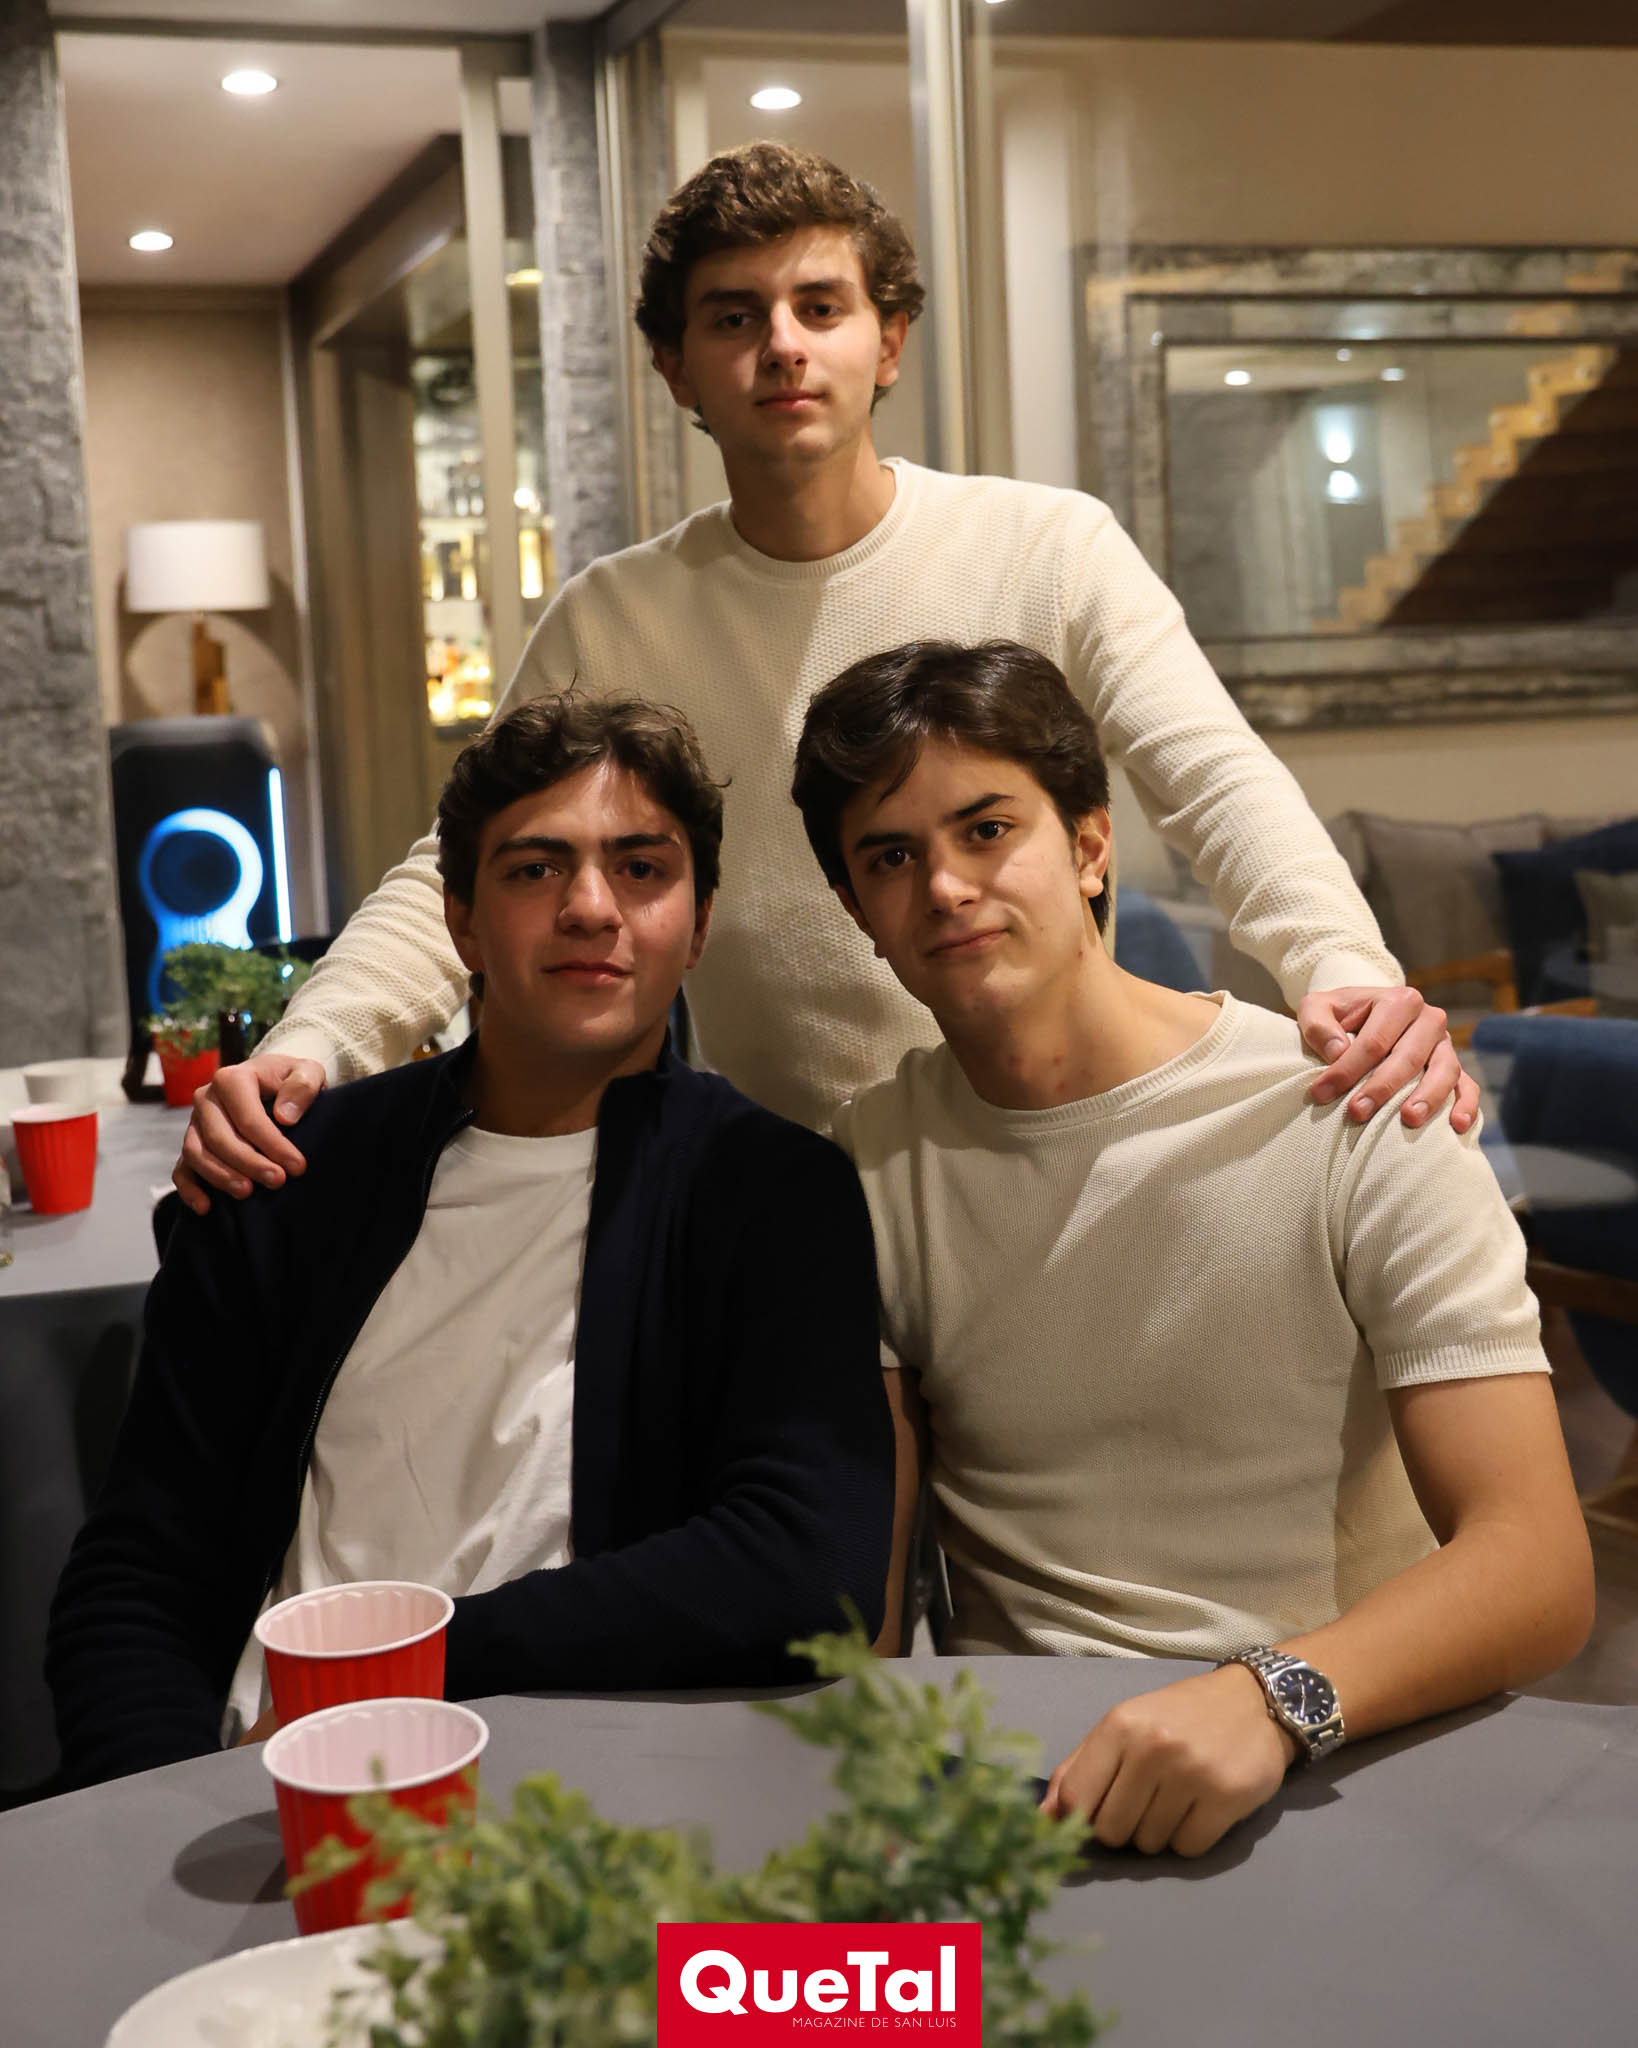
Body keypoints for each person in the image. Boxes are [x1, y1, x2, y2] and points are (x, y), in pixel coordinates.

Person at [172, 141, 1473, 1208]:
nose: (782, 346)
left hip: (1055, 1144)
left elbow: (1213, 777)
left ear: (886, 341)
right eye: (735, 318)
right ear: (677, 368)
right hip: (794, 1185)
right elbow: (457, 865)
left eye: (820, 307)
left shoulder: (1050, 547)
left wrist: (1340, 967)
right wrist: (314, 1043)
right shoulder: (617, 614)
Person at [791, 639, 1595, 1858]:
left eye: (987, 828)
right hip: (1021, 1785)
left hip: (1340, 1749)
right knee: (714, 1970)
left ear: (1091, 845)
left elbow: (1537, 1564)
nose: (945, 886)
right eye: (891, 857)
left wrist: (1270, 1698)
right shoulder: (864, 1161)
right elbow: (866, 1595)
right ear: (858, 912)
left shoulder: (1356, 1108)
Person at [48, 696, 894, 1790]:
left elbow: (805, 1564)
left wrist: (399, 1671)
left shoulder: (770, 1192)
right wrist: (158, 1806)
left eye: (641, 869)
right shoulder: (291, 1181)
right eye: (536, 869)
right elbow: (139, 1576)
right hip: (257, 1782)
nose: (591, 907)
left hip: (591, 1798)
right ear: (460, 923)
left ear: (699, 923)